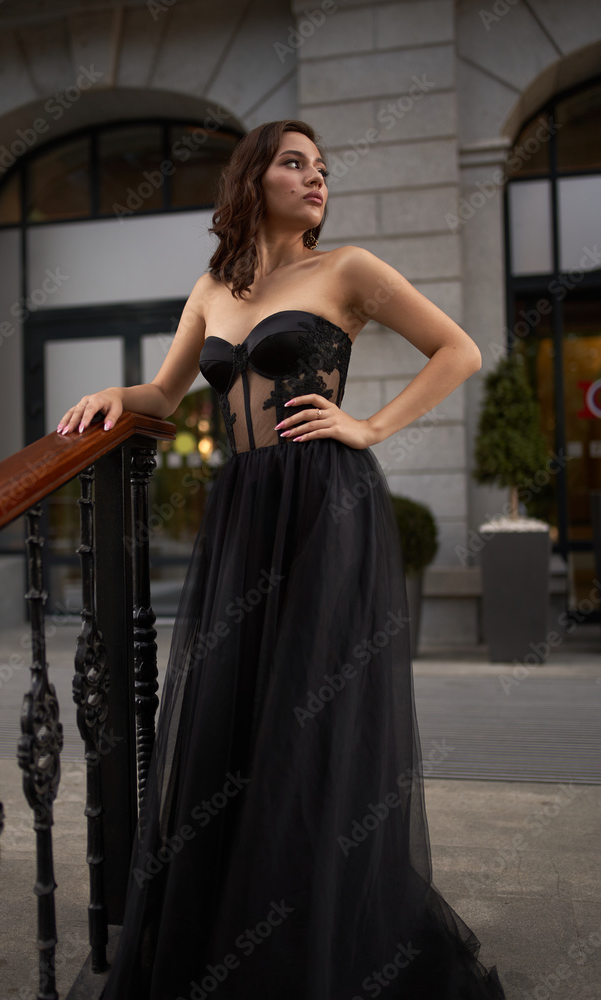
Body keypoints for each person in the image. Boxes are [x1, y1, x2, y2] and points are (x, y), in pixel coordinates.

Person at [57, 119, 506, 999]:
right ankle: (246, 918)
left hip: (325, 505)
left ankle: (323, 936)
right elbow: (167, 389)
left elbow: (459, 350)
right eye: (294, 163)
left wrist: (368, 426)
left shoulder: (347, 270)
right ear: (251, 178)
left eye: (322, 168)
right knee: (237, 713)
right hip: (244, 510)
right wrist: (122, 393)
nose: (315, 179)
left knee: (311, 713)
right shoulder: (212, 288)